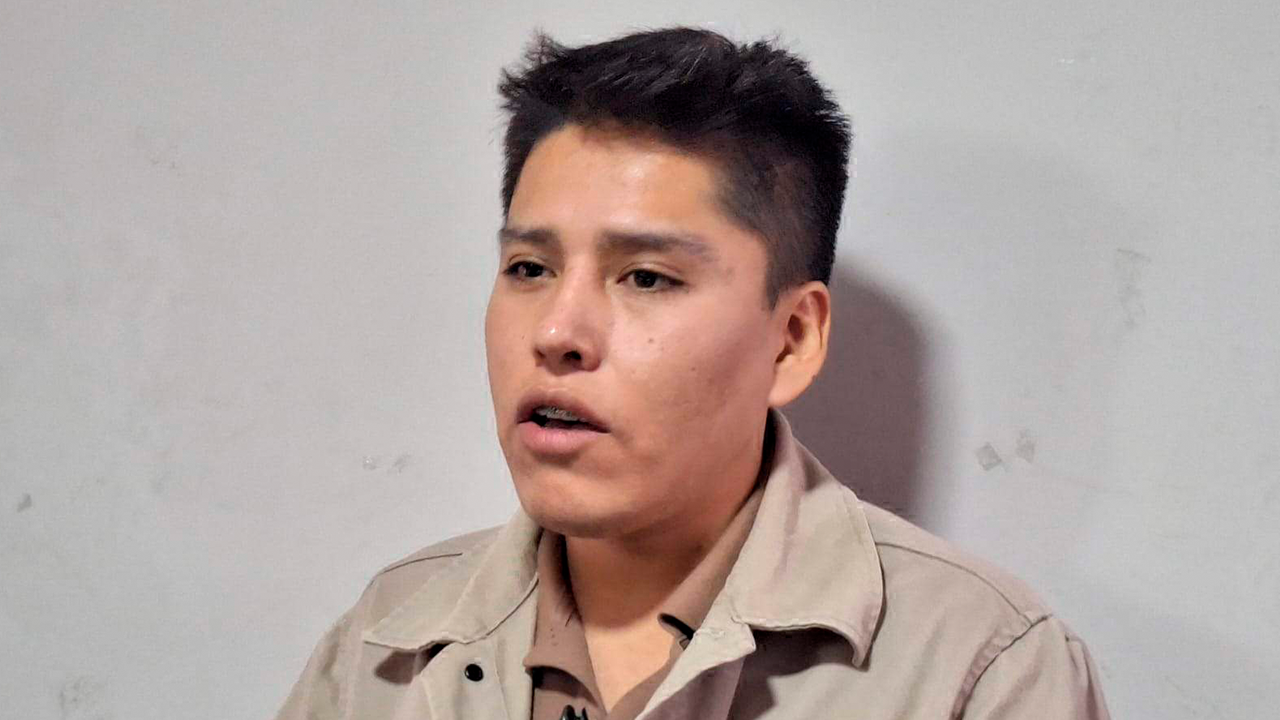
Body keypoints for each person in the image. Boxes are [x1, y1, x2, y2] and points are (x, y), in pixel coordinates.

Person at [275, 27, 1110, 720]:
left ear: (791, 340)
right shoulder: (387, 642)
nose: (557, 332)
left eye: (645, 277)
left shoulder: (978, 667)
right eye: (529, 268)